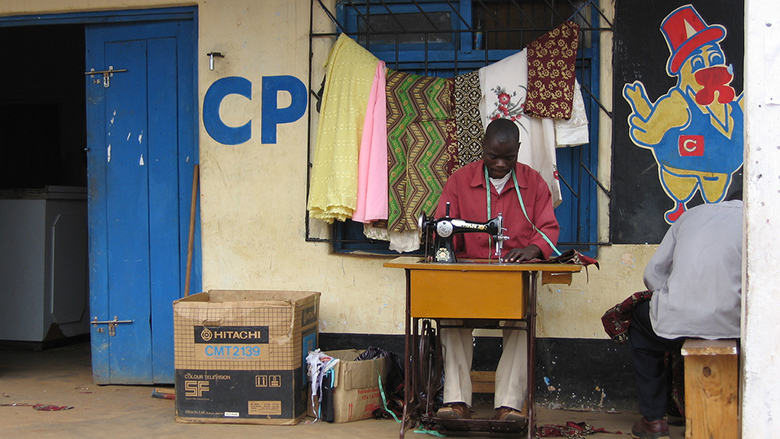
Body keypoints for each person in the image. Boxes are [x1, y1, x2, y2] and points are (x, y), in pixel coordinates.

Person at [434, 118, 560, 422]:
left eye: (509, 157)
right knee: (449, 318)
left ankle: (509, 405)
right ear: (482, 148)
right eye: (494, 157)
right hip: (467, 275)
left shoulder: (534, 183)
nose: (501, 164)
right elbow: (442, 224)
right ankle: (456, 401)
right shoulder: (460, 181)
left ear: (518, 150)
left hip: (512, 277)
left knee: (521, 321)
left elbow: (548, 227)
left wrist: (532, 250)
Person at [628, 190, 743, 439]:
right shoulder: (760, 219)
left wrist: (678, 298)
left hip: (677, 320)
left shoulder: (692, 215)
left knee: (639, 322)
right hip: (735, 326)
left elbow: (653, 274)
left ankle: (654, 418)